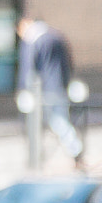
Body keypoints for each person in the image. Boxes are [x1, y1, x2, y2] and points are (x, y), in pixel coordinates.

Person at [16, 14, 83, 169]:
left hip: (43, 90)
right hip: (60, 85)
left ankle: (72, 150)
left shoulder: (32, 39)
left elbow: (28, 69)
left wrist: (23, 90)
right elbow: (69, 62)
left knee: (54, 121)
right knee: (58, 119)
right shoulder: (56, 35)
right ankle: (72, 151)